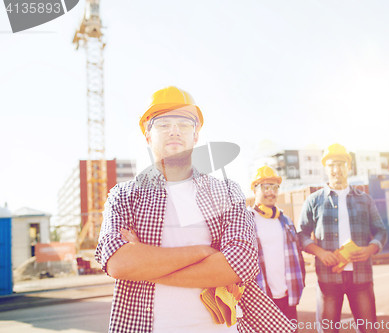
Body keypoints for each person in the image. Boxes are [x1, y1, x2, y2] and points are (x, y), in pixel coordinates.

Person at [95, 86, 294, 333]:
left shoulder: (227, 191)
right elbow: (118, 263)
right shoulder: (124, 196)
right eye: (163, 124)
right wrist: (204, 252)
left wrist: (145, 266)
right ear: (147, 135)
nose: (175, 131)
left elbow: (240, 264)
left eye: (185, 124)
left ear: (196, 136)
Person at [297, 143, 387, 333]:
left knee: (369, 330)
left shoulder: (365, 199)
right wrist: (319, 252)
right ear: (325, 168)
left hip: (361, 277)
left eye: (341, 164)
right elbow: (301, 234)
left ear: (349, 166)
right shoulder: (314, 200)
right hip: (328, 279)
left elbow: (381, 231)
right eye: (331, 165)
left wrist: (370, 249)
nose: (336, 170)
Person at [248, 166, 306, 325]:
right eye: (265, 187)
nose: (270, 192)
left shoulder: (286, 221)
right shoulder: (245, 221)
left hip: (288, 299)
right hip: (261, 301)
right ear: (254, 190)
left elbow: (298, 257)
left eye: (274, 187)